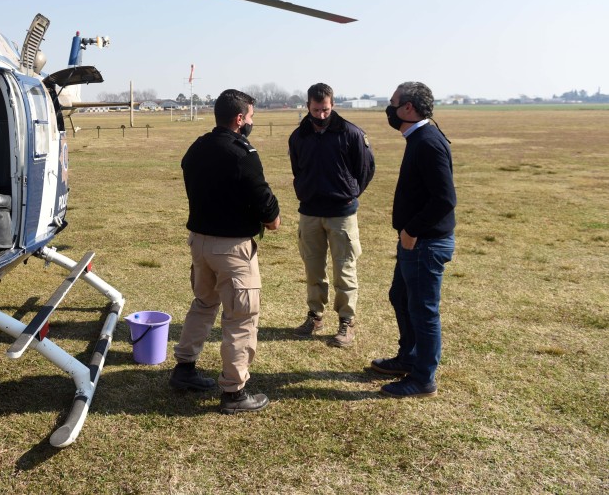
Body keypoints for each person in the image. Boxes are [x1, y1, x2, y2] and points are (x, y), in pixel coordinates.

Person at [170, 89, 281, 414]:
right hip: (231, 249)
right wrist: (273, 219)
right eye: (250, 117)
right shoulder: (242, 153)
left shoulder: (198, 147)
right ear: (239, 119)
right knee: (241, 319)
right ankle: (234, 392)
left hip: (200, 243)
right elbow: (264, 200)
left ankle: (185, 369)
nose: (251, 123)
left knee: (204, 304)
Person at [372, 81, 456, 398]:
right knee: (400, 297)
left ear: (408, 108)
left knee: (423, 310)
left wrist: (412, 230)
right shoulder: (418, 137)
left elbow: (445, 199)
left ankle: (423, 379)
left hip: (425, 244)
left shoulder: (428, 142)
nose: (389, 109)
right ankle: (408, 358)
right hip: (415, 242)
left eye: (393, 103)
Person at [288, 83, 375, 347]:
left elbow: (366, 168)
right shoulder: (298, 136)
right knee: (313, 269)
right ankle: (315, 316)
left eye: (325, 109)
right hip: (310, 213)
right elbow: (297, 169)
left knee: (344, 270)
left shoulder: (351, 133)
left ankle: (346, 322)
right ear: (307, 107)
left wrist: (349, 193)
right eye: (316, 110)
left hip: (341, 214)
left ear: (332, 104)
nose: (321, 115)